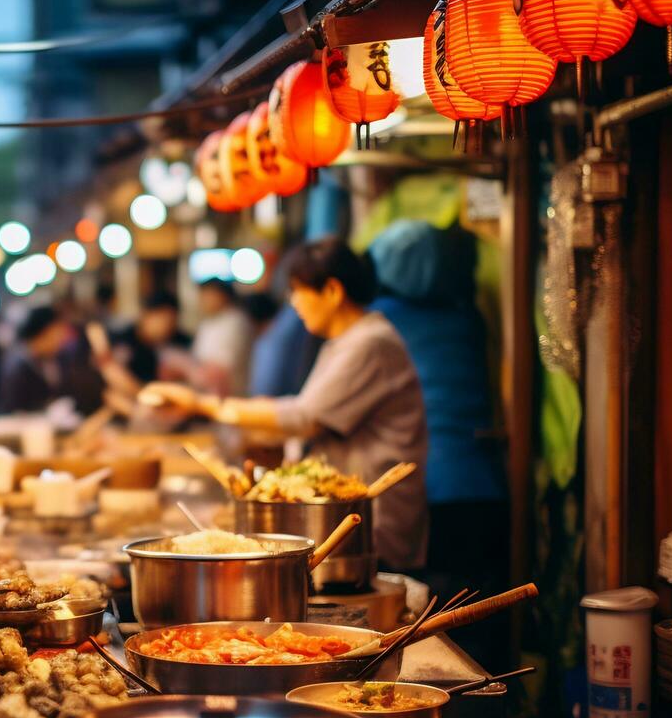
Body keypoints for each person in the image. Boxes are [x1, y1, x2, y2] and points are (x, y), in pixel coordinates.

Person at [142, 237, 428, 571]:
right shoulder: (343, 343)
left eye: (298, 291)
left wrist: (202, 404)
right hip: (344, 527)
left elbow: (305, 417)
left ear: (332, 291)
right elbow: (308, 414)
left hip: (370, 527)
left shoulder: (370, 342)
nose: (293, 303)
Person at [369, 221, 507, 649]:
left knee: (431, 626)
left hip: (427, 488)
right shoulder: (468, 319)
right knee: (479, 619)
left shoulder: (379, 322)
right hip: (483, 483)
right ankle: (494, 703)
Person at [0, 306, 71, 413]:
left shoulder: (51, 359)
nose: (63, 338)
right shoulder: (18, 364)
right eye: (58, 332)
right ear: (44, 331)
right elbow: (12, 408)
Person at [190, 278, 255, 398]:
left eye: (207, 295)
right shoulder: (208, 323)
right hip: (206, 394)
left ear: (222, 295)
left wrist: (185, 368)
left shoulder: (235, 321)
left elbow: (221, 369)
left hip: (232, 397)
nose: (202, 300)